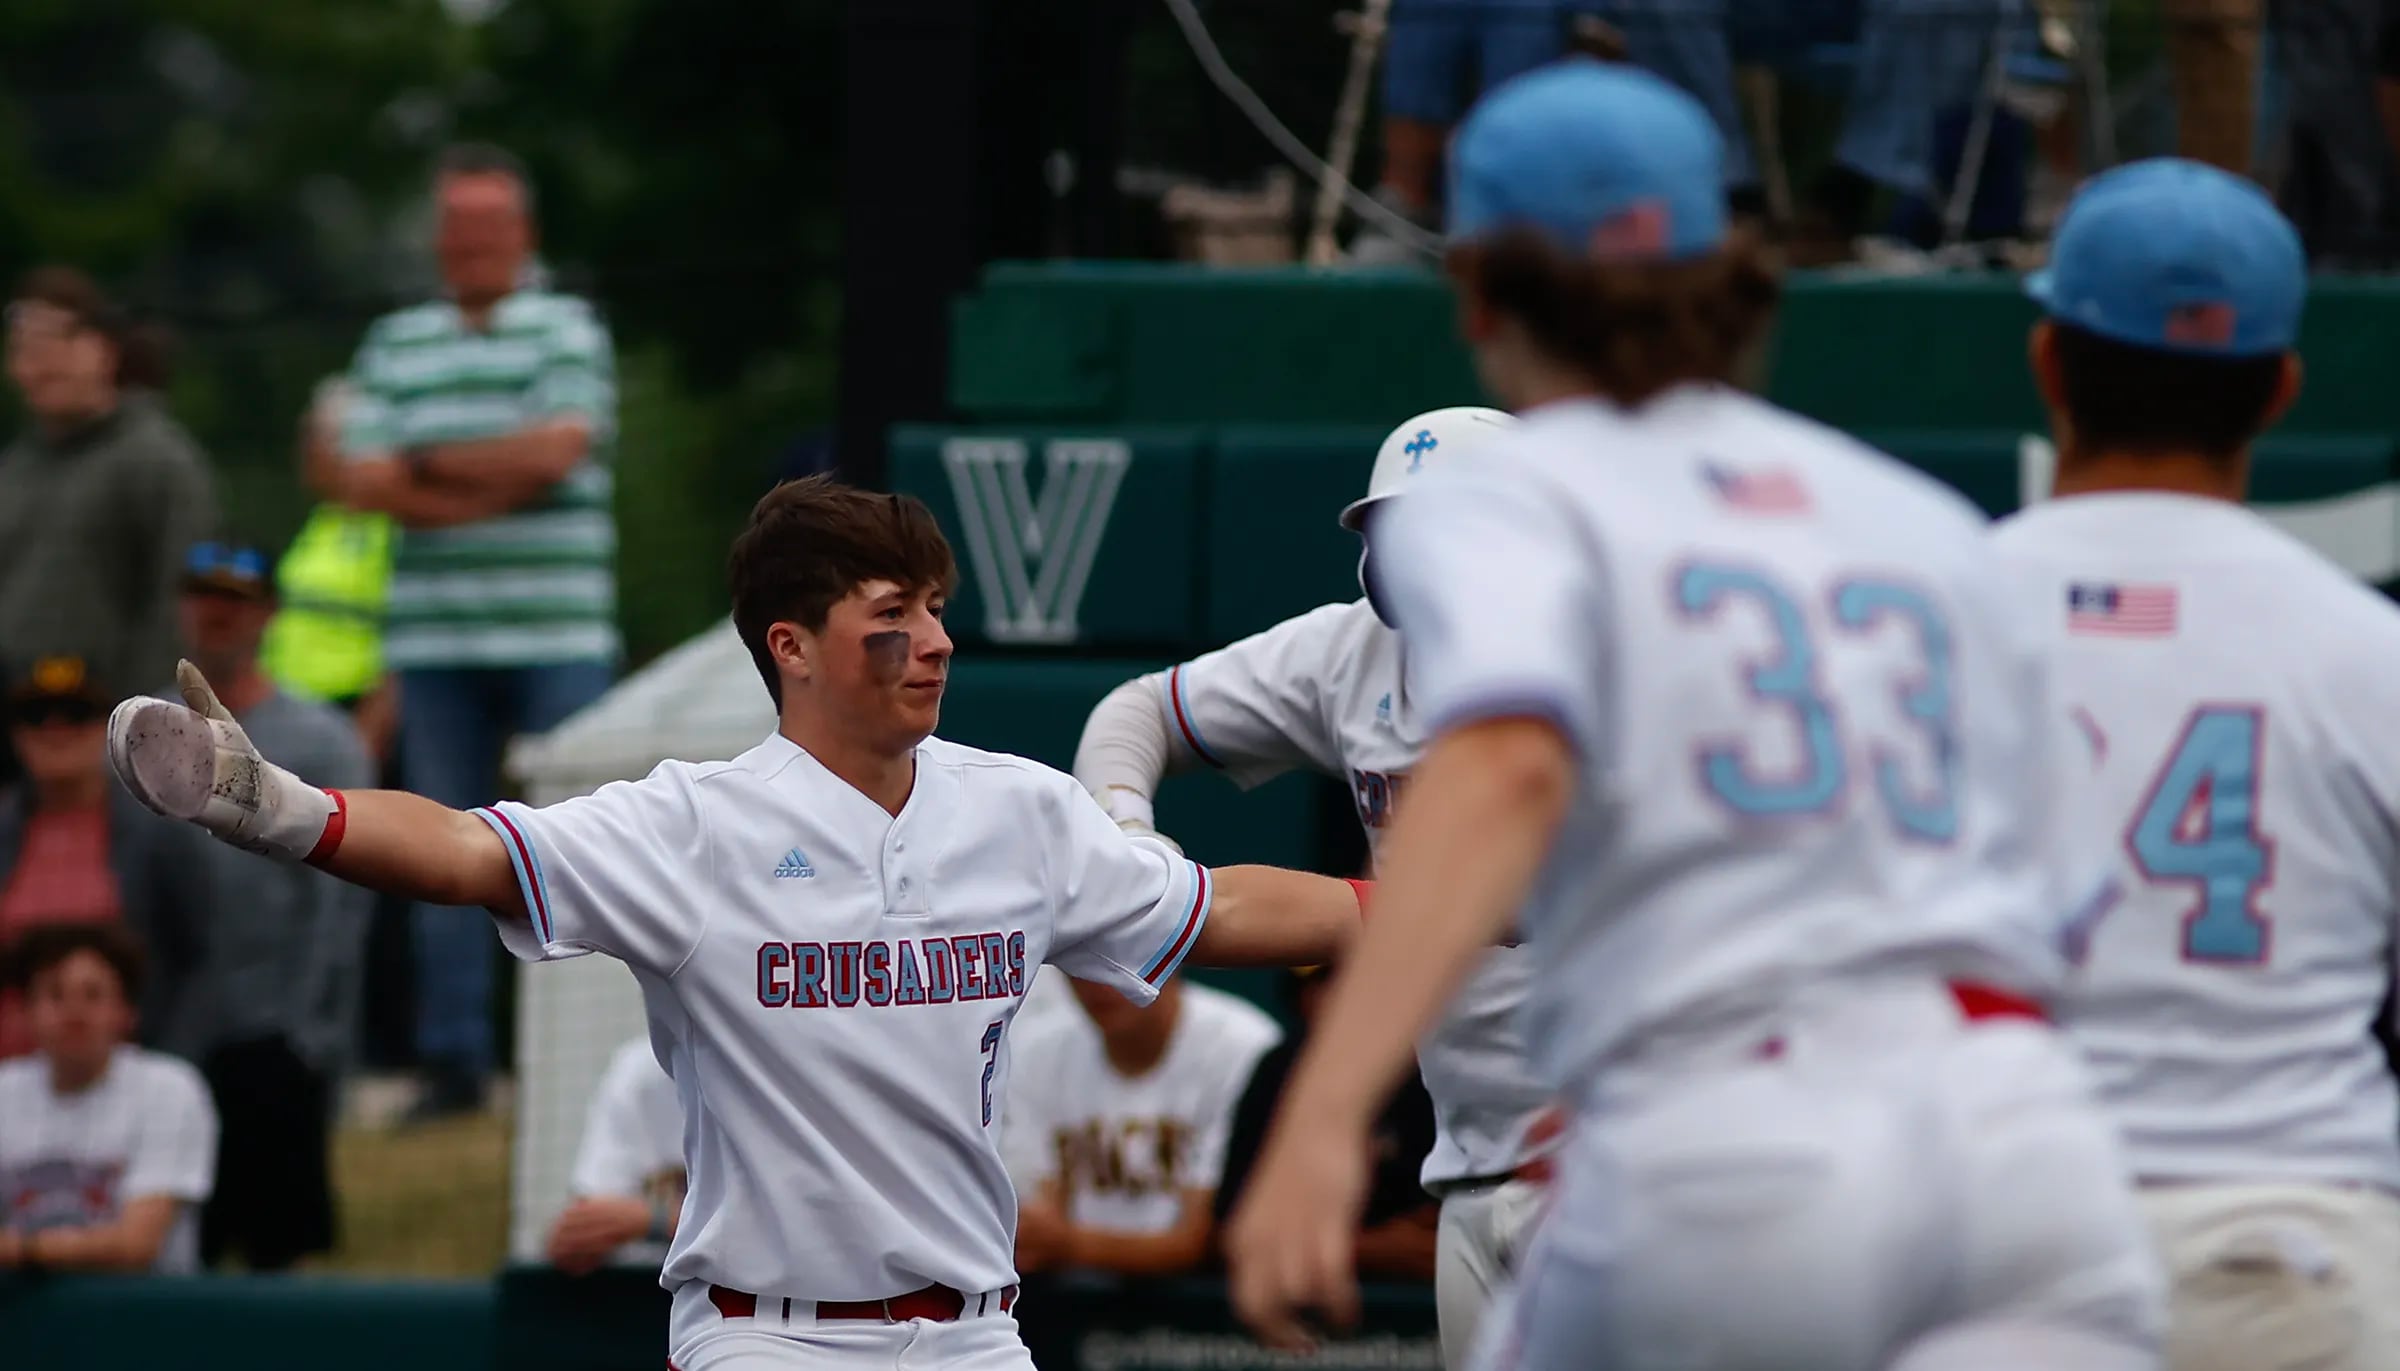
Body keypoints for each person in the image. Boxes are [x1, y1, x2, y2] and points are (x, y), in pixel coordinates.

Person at [1222, 64, 2163, 1369]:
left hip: (1737, 1139)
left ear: (1478, 288)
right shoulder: (1919, 522)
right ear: (1736, 269)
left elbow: (1501, 768)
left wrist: (1326, 1111)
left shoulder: (1515, 497)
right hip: (2022, 1137)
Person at [105, 474, 1369, 1371]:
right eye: (892, 616)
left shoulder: (1020, 811)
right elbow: (461, 851)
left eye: (935, 608)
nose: (932, 642)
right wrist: (273, 805)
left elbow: (1226, 904)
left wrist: (1448, 904)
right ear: (794, 646)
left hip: (981, 1333)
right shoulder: (692, 826)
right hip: (769, 1335)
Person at [1993, 159, 2400, 1371]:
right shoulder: (2366, 647)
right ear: (2278, 390)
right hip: (2296, 1244)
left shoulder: (1928, 619)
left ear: (2050, 362)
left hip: (2002, 1238)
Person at [1073, 404, 1556, 1364]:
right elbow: (1134, 713)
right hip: (1467, 1168)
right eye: (1395, 532)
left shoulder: (1604, 660)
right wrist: (1131, 842)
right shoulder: (1351, 652)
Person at [327, 143, 621, 1119]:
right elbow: (357, 477)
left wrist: (425, 470)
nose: (475, 242)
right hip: (436, 642)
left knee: (583, 848)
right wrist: (497, 482)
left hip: (560, 632)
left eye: (492, 225)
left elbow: (561, 448)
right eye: (460, 226)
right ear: (440, 239)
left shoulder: (568, 326)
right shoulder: (395, 339)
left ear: (522, 235)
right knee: (430, 849)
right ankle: (453, 1064)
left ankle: (577, 1058)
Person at [173, 539, 376, 1270]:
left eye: (235, 599)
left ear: (267, 614)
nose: (217, 614)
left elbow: (342, 908)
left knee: (274, 1259)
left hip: (277, 1030)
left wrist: (312, 1034)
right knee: (175, 1249)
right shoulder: (149, 729)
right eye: (203, 596)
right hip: (175, 1031)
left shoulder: (323, 737)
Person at [0, 266, 217, 700]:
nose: (41, 362)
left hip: (114, 723)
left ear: (106, 348)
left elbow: (183, 606)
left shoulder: (157, 459)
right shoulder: (14, 469)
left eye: (58, 341)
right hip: (20, 724)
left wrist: (143, 716)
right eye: (25, 347)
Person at [0, 656, 209, 1060]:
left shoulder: (161, 830)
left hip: (126, 1078)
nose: (54, 729)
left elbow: (200, 960)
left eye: (76, 714)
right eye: (35, 715)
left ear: (109, 730)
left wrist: (175, 1060)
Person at [1004, 975, 1280, 1279]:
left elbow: (1204, 1239)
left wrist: (1070, 1243)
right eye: (1080, 967)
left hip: (1207, 1307)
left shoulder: (1242, 1045)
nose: (1098, 982)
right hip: (1078, 1303)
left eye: (1121, 961)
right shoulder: (1038, 1051)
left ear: (1167, 953)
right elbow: (1040, 1223)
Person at [0, 922, 219, 1274]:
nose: (74, 1013)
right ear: (25, 1012)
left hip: (144, 1315)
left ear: (127, 1013)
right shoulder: (5, 1092)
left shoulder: (170, 1090)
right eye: (55, 994)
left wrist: (22, 1250)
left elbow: (137, 1245)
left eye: (93, 995)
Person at [1215, 965, 1442, 1285]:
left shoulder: (1431, 1072)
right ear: (1299, 998)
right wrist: (1369, 1249)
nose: (1345, 997)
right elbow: (1231, 1227)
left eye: (1357, 980)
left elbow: (1440, 1227)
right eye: (1324, 982)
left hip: (1419, 1303)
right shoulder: (1277, 1073)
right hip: (1300, 1296)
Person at [549, 1034, 685, 1275]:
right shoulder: (640, 1067)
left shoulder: (761, 1060)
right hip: (646, 1292)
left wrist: (654, 1220)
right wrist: (661, 1220)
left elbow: (764, 1227)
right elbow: (580, 1234)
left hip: (749, 1300)